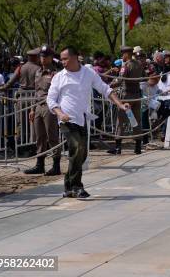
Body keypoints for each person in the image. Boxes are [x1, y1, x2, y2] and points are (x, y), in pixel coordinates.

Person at [47, 46, 130, 199]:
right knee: (77, 148)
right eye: (62, 59)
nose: (63, 62)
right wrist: (60, 113)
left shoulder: (88, 73)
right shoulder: (59, 77)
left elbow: (105, 89)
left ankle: (69, 186)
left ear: (75, 57)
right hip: (66, 120)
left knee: (81, 153)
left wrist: (120, 104)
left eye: (66, 59)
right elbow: (50, 99)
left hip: (82, 118)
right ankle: (77, 187)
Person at [25, 46, 61, 176]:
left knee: (52, 136)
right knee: (39, 137)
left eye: (45, 56)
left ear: (51, 57)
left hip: (50, 106)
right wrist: (32, 109)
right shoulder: (38, 72)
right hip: (38, 106)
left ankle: (56, 165)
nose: (43, 58)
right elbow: (36, 92)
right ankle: (39, 164)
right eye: (41, 56)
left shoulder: (55, 74)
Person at [108, 46, 145, 155]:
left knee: (121, 121)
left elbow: (120, 81)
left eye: (122, 54)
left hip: (127, 97)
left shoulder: (126, 66)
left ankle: (118, 147)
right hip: (137, 96)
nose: (122, 57)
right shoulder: (139, 64)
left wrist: (109, 85)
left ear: (126, 54)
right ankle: (138, 147)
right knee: (136, 121)